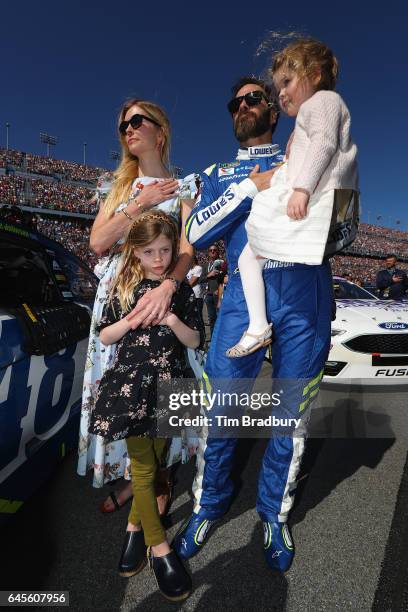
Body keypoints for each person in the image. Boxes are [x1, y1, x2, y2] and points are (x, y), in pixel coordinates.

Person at [173, 70, 333, 573]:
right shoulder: (216, 172)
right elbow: (195, 231)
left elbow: (345, 220)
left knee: (291, 418)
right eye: (235, 103)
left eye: (254, 98)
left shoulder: (307, 151)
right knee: (220, 411)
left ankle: (274, 514)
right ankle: (208, 505)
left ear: (271, 108)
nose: (242, 106)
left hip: (306, 298)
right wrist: (252, 187)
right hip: (244, 303)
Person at [77, 99, 199, 513]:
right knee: (125, 392)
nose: (127, 129)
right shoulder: (117, 188)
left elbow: (187, 249)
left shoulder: (186, 188)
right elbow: (98, 243)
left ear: (160, 131)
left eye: (136, 121)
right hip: (120, 300)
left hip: (165, 296)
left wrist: (168, 286)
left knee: (165, 386)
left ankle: (157, 478)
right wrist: (140, 204)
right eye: (123, 125)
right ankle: (138, 479)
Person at [89, 211, 202, 601]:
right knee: (141, 468)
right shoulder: (124, 287)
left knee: (156, 463)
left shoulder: (183, 291)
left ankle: (136, 527)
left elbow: (194, 341)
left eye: (166, 250)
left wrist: (170, 319)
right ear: (135, 252)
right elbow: (105, 335)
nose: (158, 258)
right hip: (132, 386)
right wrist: (131, 321)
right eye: (149, 251)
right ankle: (160, 549)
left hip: (173, 380)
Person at [227, 37, 358, 357]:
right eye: (278, 86)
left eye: (287, 82)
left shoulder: (324, 102)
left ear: (314, 74)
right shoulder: (308, 117)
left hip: (321, 201)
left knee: (251, 248)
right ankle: (259, 325)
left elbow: (325, 145)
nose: (281, 93)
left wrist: (301, 189)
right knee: (248, 256)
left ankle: (259, 325)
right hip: (322, 202)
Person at [201, 244, 224, 334]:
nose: (213, 251)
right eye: (211, 250)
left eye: (214, 250)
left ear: (218, 251)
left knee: (220, 318)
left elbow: (226, 278)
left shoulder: (222, 263)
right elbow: (200, 279)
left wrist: (219, 290)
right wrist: (208, 275)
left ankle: (220, 339)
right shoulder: (206, 265)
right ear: (208, 253)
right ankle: (213, 340)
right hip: (208, 295)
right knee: (211, 319)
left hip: (218, 294)